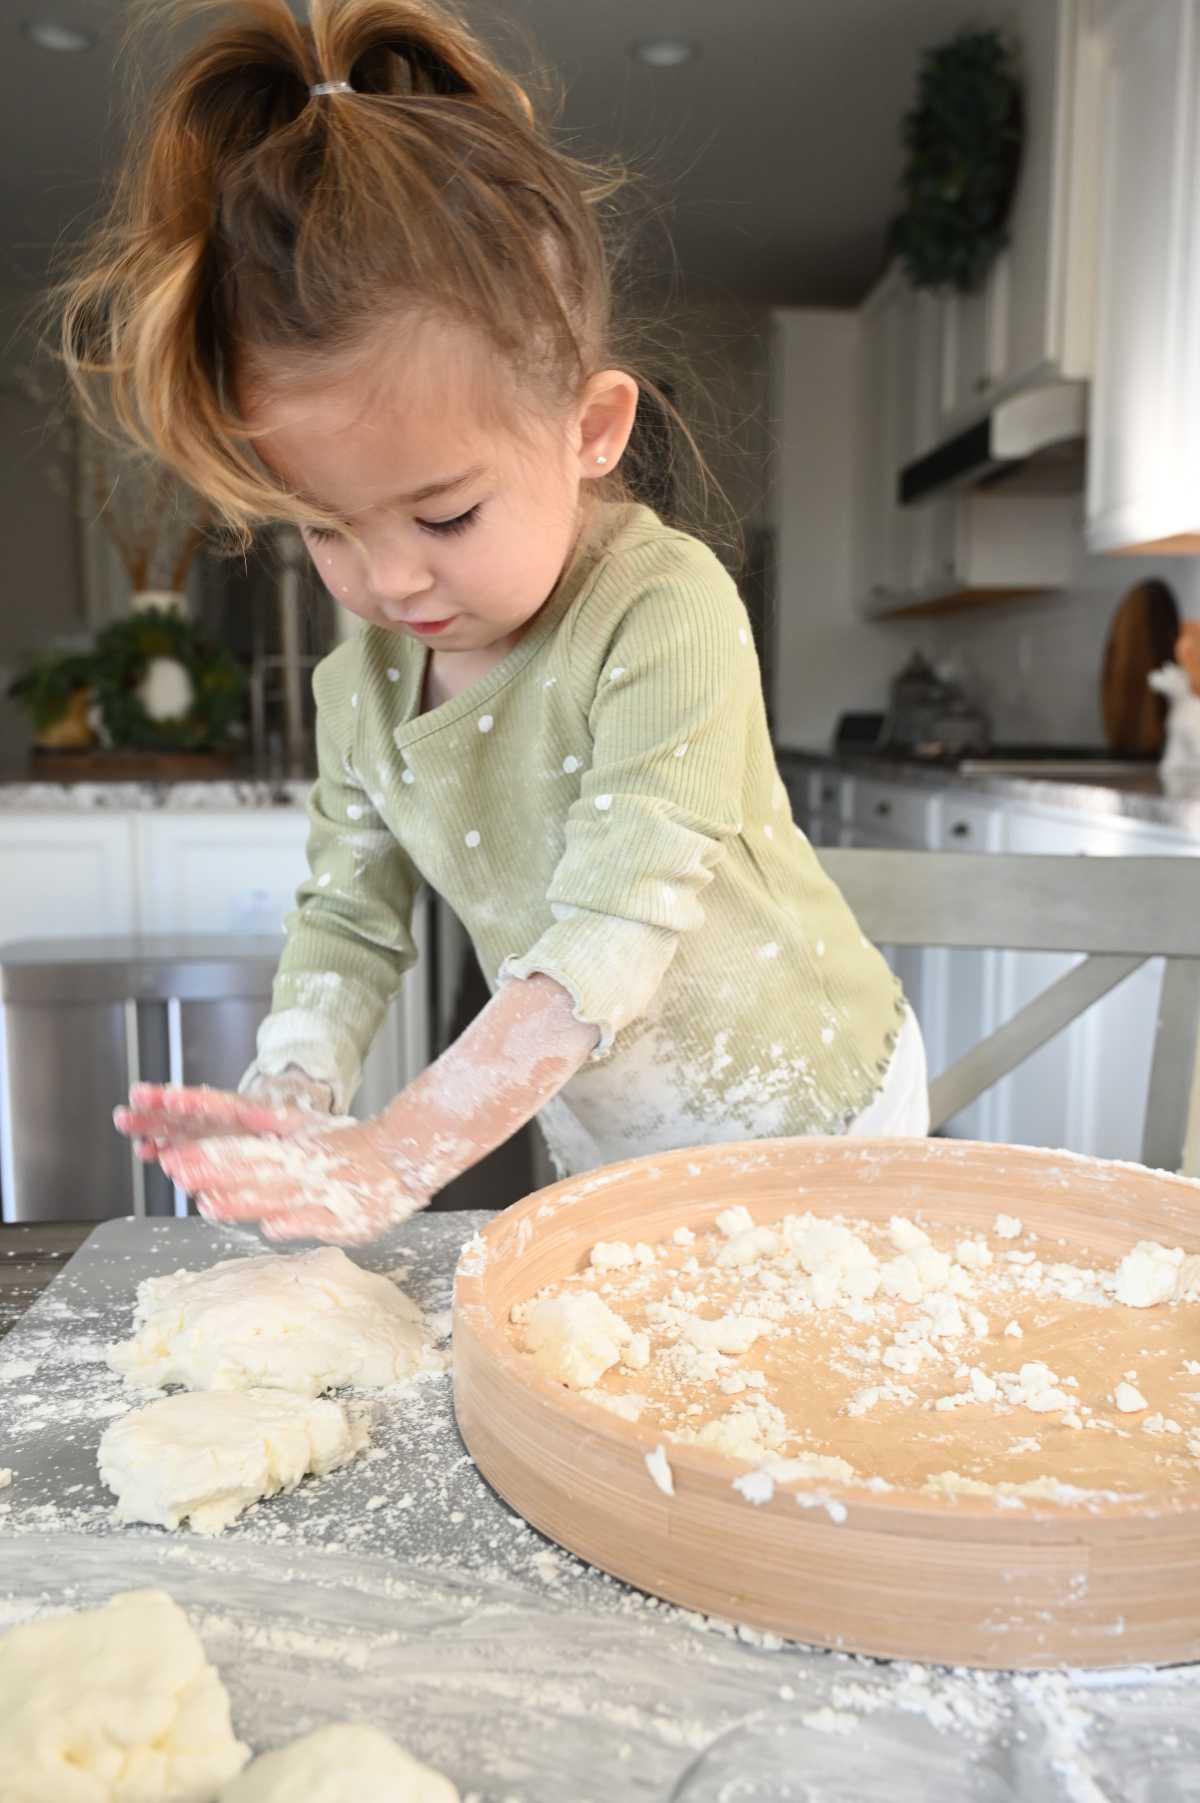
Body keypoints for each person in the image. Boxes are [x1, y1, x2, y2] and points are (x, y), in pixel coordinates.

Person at [61, 0, 928, 1245]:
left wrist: (400, 1151)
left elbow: (612, 932)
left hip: (815, 1124)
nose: (390, 580)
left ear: (591, 430)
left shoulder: (660, 610)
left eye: (446, 515)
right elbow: (348, 915)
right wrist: (297, 1097)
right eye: (325, 528)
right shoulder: (360, 682)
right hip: (602, 1144)